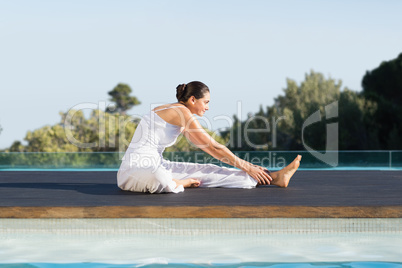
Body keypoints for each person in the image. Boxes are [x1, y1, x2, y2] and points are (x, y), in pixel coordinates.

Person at [117, 81, 301, 193]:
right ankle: (180, 183)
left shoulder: (175, 111)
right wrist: (246, 165)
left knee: (209, 170)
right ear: (192, 100)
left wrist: (250, 168)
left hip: (157, 164)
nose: (207, 107)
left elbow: (208, 149)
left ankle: (274, 177)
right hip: (135, 169)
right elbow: (213, 146)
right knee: (159, 176)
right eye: (206, 102)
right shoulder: (180, 112)